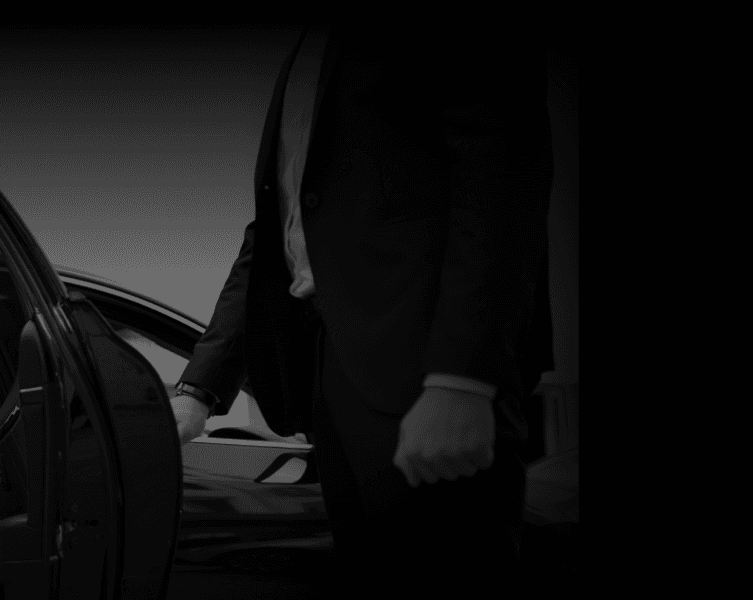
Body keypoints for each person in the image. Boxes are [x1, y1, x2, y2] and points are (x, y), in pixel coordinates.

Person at [167, 26, 553, 594]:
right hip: (333, 370)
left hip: (427, 377)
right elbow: (277, 237)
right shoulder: (304, 50)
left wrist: (463, 378)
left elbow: (502, 169)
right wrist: (198, 393)